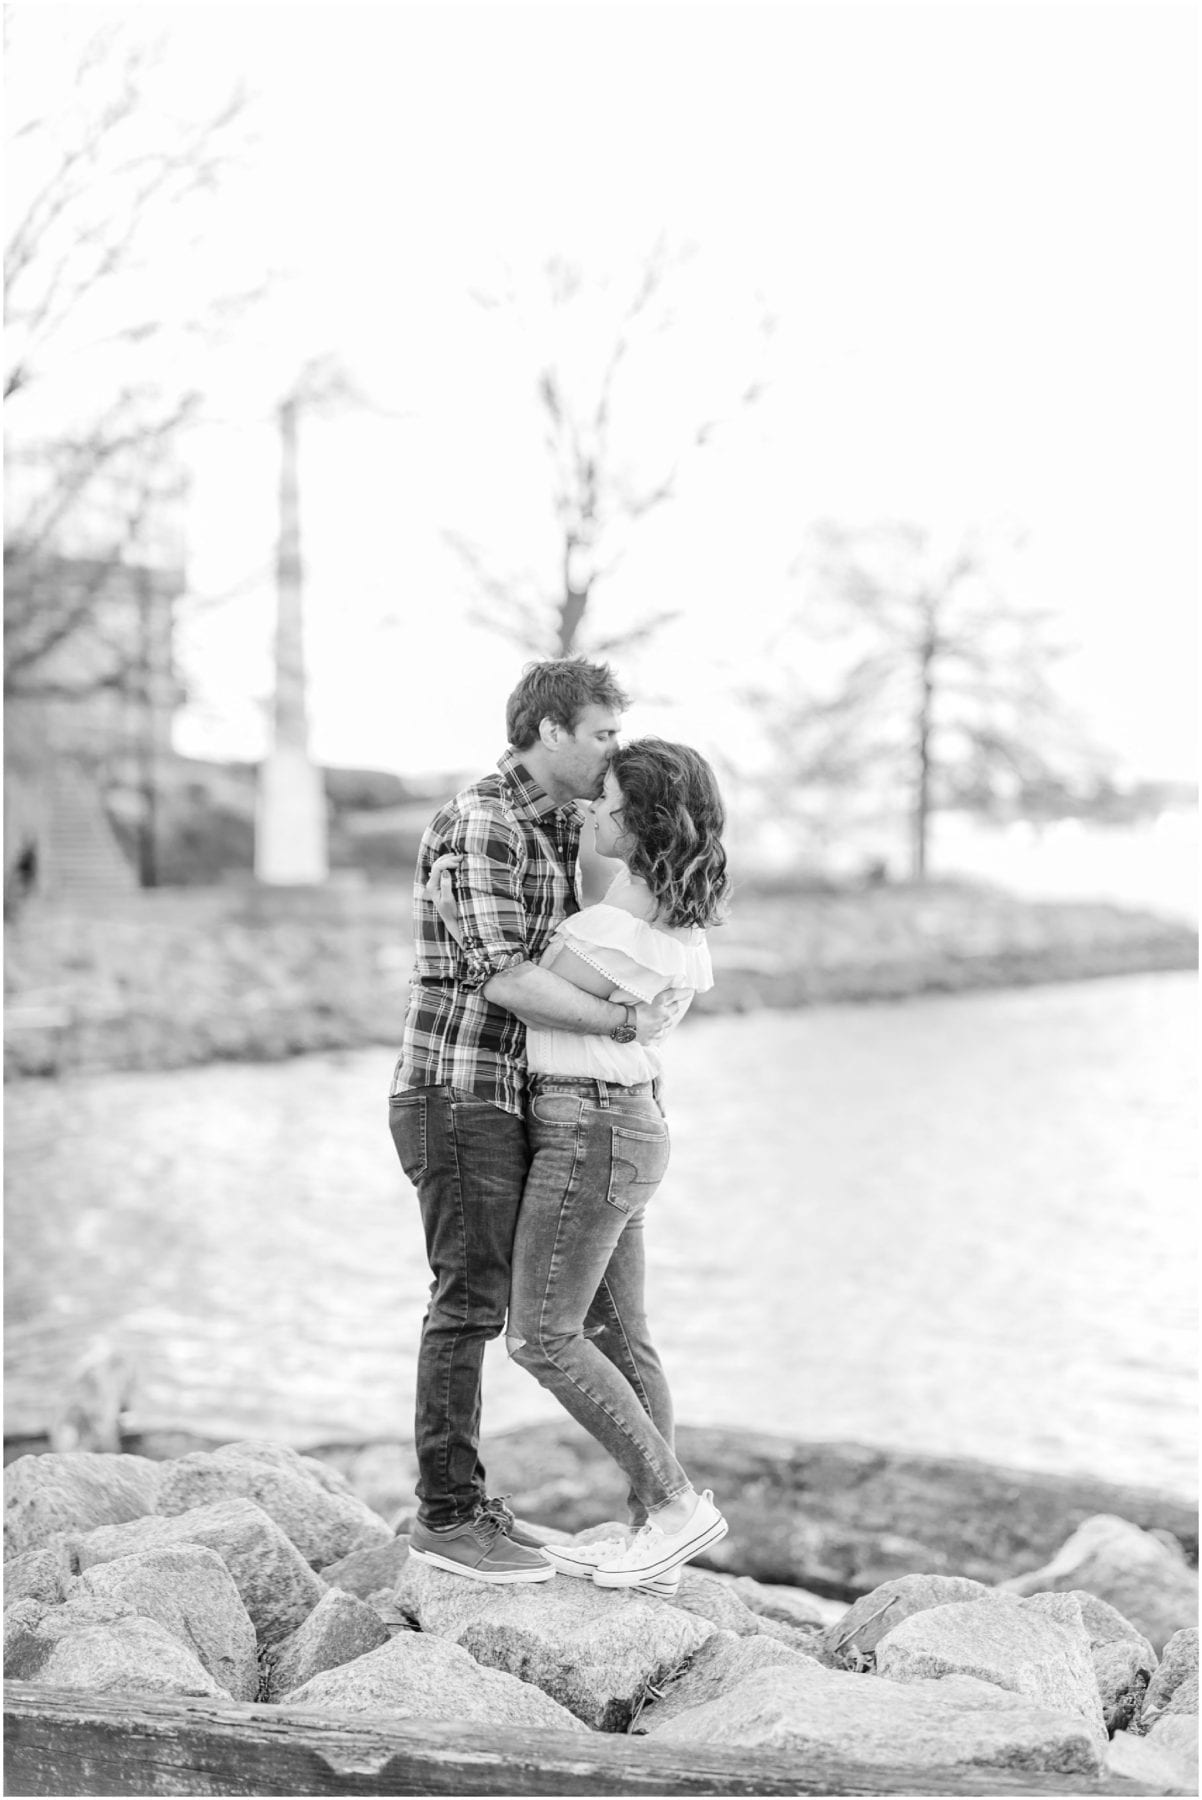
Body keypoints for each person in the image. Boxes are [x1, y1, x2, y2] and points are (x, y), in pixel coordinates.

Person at [388, 658, 671, 1584]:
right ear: (550, 731)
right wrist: (627, 1022)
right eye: (600, 734)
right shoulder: (484, 823)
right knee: (468, 1303)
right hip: (459, 1090)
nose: (611, 751)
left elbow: (621, 922)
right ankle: (448, 1515)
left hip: (522, 1101)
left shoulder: (561, 824)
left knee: (600, 1318)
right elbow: (506, 975)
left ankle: (657, 1521)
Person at [428, 738, 731, 1593]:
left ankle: (673, 1506)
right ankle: (657, 1541)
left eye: (606, 805)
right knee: (621, 1338)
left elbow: (511, 984)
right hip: (626, 1126)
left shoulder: (606, 933)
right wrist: (624, 1020)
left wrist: (457, 906)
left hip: (588, 1126)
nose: (591, 813)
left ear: (639, 820)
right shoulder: (672, 932)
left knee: (540, 1335)